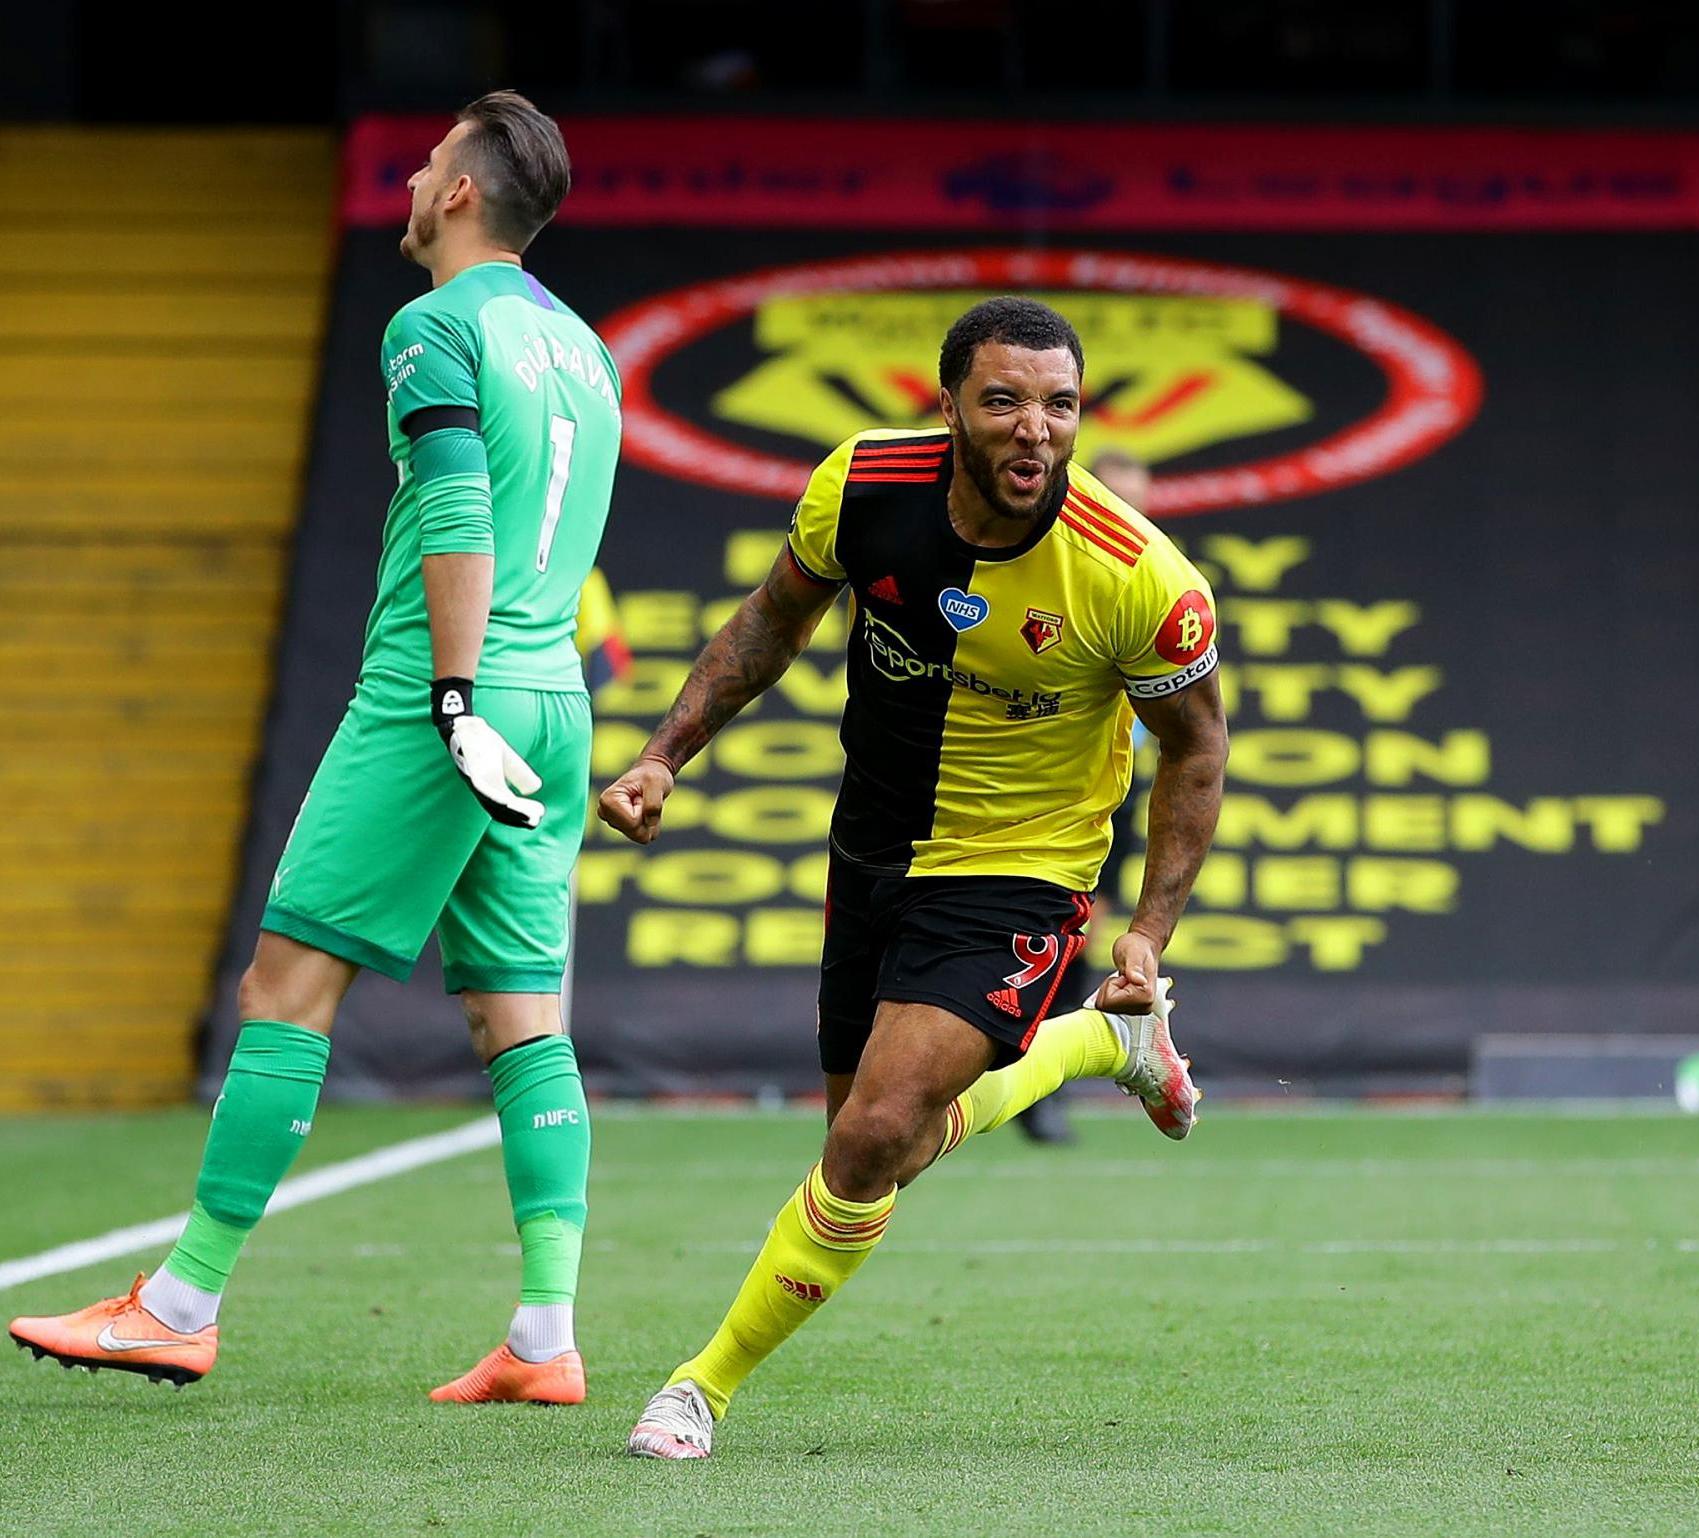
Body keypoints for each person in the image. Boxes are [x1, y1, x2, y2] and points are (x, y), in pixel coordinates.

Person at [9, 93, 620, 1405]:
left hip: (441, 694)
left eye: (427, 162)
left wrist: (451, 700)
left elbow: (458, 510)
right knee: (520, 1017)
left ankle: (177, 1302)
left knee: (285, 988)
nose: (409, 176)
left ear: (459, 194)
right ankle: (542, 1331)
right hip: (555, 698)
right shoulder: (586, 350)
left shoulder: (432, 326)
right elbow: (559, 546)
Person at [600, 296, 1229, 1460]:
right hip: (874, 845)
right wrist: (659, 756)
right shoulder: (862, 484)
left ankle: (700, 1385)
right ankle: (1100, 1046)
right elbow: (769, 623)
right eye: (1002, 400)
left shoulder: (1137, 573)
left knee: (870, 1134)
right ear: (948, 409)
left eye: (1058, 405)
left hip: (1023, 869)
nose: (1033, 429)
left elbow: (1195, 748)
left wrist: (1146, 931)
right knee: (876, 1132)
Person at [1013, 445, 1156, 1146]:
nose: (1127, 511)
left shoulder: (1151, 579)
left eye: (1139, 500)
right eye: (1115, 495)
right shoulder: (1057, 569)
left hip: (1114, 789)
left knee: (1073, 940)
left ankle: (1042, 1084)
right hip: (1035, 784)